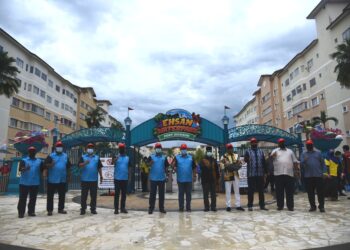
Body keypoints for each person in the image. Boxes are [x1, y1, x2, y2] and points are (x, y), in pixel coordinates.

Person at [44, 141, 71, 216]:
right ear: (55, 148)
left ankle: (61, 209)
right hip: (52, 179)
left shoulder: (65, 156)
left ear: (62, 148)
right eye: (58, 146)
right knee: (50, 196)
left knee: (62, 195)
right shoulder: (51, 156)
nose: (59, 147)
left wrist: (69, 176)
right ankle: (49, 210)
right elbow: (45, 165)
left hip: (62, 179)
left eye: (61, 146)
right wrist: (51, 165)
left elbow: (68, 167)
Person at [272, 138, 299, 211]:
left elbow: (295, 161)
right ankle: (280, 206)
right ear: (278, 144)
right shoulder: (275, 151)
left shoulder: (290, 151)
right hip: (278, 174)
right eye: (280, 142)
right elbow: (270, 160)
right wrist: (272, 156)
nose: (281, 144)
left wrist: (296, 171)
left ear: (284, 143)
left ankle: (290, 206)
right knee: (279, 191)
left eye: (282, 142)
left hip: (289, 174)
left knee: (289, 191)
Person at [17, 146, 44, 218]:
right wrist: (25, 168)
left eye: (33, 151)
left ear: (35, 152)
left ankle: (31, 211)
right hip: (24, 183)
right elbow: (20, 169)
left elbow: (42, 170)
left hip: (35, 183)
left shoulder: (39, 161)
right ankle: (21, 213)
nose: (32, 152)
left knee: (33, 198)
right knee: (22, 198)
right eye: (31, 151)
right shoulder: (24, 160)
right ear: (28, 152)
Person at [300, 140, 326, 212]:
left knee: (320, 192)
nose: (309, 146)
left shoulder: (318, 153)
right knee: (310, 193)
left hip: (318, 175)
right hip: (308, 176)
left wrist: (324, 173)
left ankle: (321, 207)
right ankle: (312, 206)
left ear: (312, 145)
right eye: (308, 145)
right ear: (306, 146)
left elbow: (323, 164)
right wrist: (304, 161)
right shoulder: (303, 154)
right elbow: (301, 165)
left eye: (310, 145)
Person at [78, 143, 103, 215]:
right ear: (86, 149)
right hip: (84, 180)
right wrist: (84, 163)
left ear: (93, 149)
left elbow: (99, 167)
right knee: (84, 196)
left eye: (91, 147)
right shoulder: (83, 157)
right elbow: (79, 165)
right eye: (89, 147)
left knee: (93, 196)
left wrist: (101, 176)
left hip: (93, 180)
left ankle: (93, 209)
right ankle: (83, 209)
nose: (90, 149)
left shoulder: (97, 157)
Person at [244, 138, 268, 211]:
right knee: (250, 191)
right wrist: (247, 158)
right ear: (251, 143)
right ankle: (250, 206)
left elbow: (264, 162)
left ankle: (262, 205)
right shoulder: (247, 151)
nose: (254, 143)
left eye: (255, 142)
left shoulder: (261, 151)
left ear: (256, 143)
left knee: (261, 191)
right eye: (252, 142)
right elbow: (245, 160)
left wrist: (266, 172)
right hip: (251, 174)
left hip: (260, 174)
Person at [220, 143, 245, 212]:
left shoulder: (237, 155)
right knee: (228, 191)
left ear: (232, 148)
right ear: (227, 149)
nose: (230, 149)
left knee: (237, 191)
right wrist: (227, 166)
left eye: (231, 148)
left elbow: (240, 164)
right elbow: (221, 166)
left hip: (236, 175)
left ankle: (238, 205)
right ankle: (228, 206)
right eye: (229, 148)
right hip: (228, 176)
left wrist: (230, 166)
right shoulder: (223, 156)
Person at [173, 144, 196, 212]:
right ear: (181, 150)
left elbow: (194, 168)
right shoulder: (177, 158)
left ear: (186, 150)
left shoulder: (191, 157)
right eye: (182, 149)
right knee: (181, 195)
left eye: (184, 149)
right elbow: (173, 166)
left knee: (188, 195)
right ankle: (181, 208)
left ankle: (188, 208)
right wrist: (174, 168)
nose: (183, 150)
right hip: (180, 180)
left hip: (189, 180)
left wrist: (194, 176)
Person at [148, 143, 168, 214]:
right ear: (155, 149)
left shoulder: (164, 157)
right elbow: (147, 165)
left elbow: (166, 167)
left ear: (161, 149)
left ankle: (161, 208)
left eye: (159, 148)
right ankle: (151, 208)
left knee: (161, 195)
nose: (158, 149)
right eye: (157, 148)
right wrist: (150, 163)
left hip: (162, 179)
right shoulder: (151, 156)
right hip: (153, 179)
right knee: (152, 194)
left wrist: (167, 176)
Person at [199, 146, 220, 212]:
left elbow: (217, 170)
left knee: (213, 194)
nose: (209, 152)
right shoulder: (202, 160)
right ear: (206, 152)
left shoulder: (214, 160)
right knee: (205, 194)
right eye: (208, 151)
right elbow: (201, 169)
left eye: (210, 151)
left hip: (213, 179)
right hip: (205, 180)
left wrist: (218, 178)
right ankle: (206, 207)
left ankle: (213, 207)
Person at [113, 143, 130, 214]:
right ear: (119, 149)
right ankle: (116, 209)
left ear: (124, 149)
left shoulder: (127, 158)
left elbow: (130, 168)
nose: (122, 149)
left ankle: (122, 208)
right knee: (116, 194)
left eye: (123, 148)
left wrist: (130, 177)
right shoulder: (116, 157)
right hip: (117, 179)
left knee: (123, 195)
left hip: (125, 179)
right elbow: (112, 163)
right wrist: (116, 159)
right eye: (120, 148)